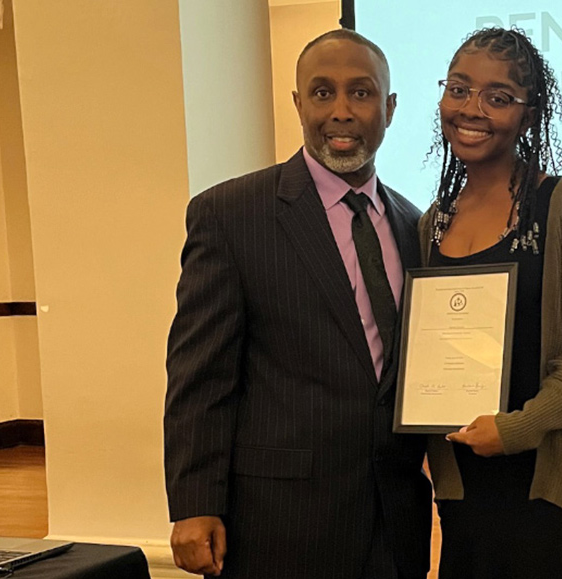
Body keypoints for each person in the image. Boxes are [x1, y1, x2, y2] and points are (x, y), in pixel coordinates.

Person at [164, 29, 431, 579]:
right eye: (321, 92)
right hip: (279, 521)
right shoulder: (232, 214)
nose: (340, 112)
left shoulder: (415, 226)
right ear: (297, 103)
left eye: (361, 93)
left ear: (391, 107)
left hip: (395, 516)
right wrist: (194, 502)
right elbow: (200, 374)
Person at [418, 27, 562, 578]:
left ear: (529, 114)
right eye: (459, 89)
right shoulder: (429, 224)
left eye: (498, 97)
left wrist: (515, 429)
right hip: (466, 495)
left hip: (557, 493)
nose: (472, 109)